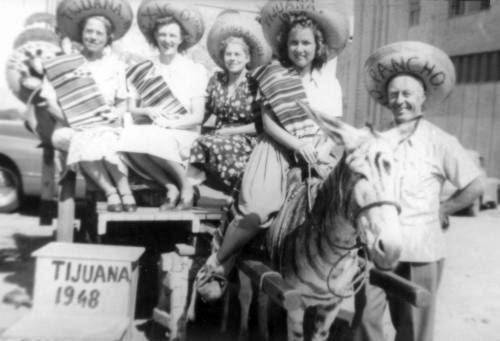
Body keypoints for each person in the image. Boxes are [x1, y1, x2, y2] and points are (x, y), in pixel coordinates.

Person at [196, 1, 349, 301]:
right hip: (277, 149)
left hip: (318, 151)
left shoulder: (330, 83)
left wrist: (319, 150)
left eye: (306, 43)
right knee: (256, 210)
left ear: (317, 46)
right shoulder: (274, 74)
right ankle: (216, 265)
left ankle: (346, 267)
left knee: (346, 203)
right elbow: (267, 123)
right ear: (285, 45)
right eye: (294, 43)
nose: (299, 49)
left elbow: (334, 127)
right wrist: (298, 145)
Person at [351, 41, 485, 341]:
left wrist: (443, 210)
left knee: (413, 331)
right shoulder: (376, 140)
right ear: (385, 99)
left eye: (407, 94)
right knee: (364, 323)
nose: (400, 100)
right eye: (394, 94)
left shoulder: (440, 141)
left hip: (421, 252)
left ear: (423, 97)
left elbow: (475, 183)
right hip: (375, 250)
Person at [41, 0, 137, 212]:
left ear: (108, 38)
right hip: (70, 125)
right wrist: (75, 121)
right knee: (80, 138)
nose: (93, 37)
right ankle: (110, 191)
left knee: (108, 138)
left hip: (106, 123)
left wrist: (115, 114)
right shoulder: (65, 63)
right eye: (89, 32)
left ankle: (125, 191)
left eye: (99, 34)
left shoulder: (116, 66)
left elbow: (124, 103)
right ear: (81, 34)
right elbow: (48, 102)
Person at [117, 0, 207, 210]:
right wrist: (146, 110)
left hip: (184, 132)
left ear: (182, 38)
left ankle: (185, 187)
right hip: (153, 130)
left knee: (154, 137)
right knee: (125, 139)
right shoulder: (142, 69)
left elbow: (197, 117)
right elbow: (132, 109)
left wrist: (169, 124)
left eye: (172, 35)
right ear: (155, 36)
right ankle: (170, 187)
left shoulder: (194, 70)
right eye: (163, 35)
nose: (167, 40)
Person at [187, 11, 271, 194]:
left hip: (247, 139)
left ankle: (238, 193)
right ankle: (192, 190)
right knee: (194, 143)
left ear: (247, 58)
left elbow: (262, 125)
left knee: (213, 145)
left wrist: (229, 131)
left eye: (238, 55)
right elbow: (203, 113)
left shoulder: (255, 84)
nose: (233, 59)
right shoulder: (216, 81)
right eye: (229, 55)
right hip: (219, 136)